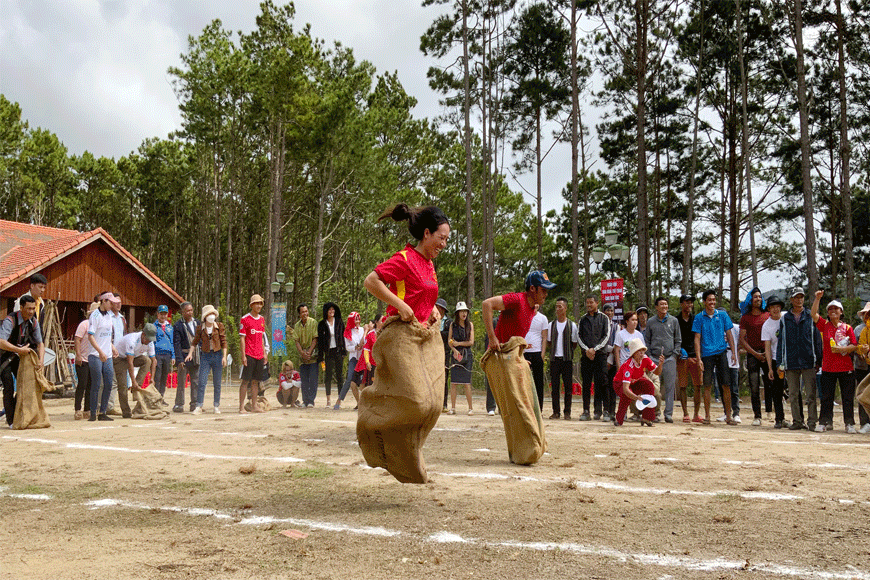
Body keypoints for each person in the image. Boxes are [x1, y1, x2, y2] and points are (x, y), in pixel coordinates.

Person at [811, 291, 858, 433]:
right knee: (826, 397)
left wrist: (841, 349)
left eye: (836, 309)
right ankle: (825, 422)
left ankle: (849, 423)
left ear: (841, 312)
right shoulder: (825, 325)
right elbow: (813, 314)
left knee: (847, 398)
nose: (833, 311)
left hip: (846, 367)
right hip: (828, 368)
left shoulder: (848, 328)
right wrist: (817, 299)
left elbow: (854, 346)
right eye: (830, 309)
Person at [777, 287, 822, 431]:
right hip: (790, 361)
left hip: (808, 360)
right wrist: (780, 362)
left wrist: (818, 359)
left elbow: (816, 339)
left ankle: (812, 422)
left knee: (810, 395)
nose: (799, 299)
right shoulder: (785, 319)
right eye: (796, 297)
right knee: (794, 394)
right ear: (791, 300)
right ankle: (797, 421)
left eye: (801, 297)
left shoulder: (810, 315)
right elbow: (781, 342)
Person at [692, 289, 738, 425]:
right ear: (704, 302)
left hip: (721, 352)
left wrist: (734, 353)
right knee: (707, 385)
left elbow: (729, 334)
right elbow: (697, 339)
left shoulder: (723, 315)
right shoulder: (699, 317)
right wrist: (699, 358)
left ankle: (728, 416)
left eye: (714, 300)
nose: (712, 302)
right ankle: (707, 416)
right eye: (709, 300)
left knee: (726, 385)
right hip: (706, 355)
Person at [482, 271, 556, 354]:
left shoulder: (532, 308)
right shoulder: (517, 300)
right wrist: (492, 338)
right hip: (498, 355)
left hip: (510, 357)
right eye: (543, 290)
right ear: (532, 288)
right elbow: (487, 304)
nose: (546, 294)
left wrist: (520, 357)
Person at [0, 295, 46, 427]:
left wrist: (41, 361)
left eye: (33, 308)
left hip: (19, 357)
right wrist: (18, 350)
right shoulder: (10, 320)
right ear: (21, 308)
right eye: (29, 308)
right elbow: (1, 342)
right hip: (3, 356)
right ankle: (11, 421)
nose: (31, 311)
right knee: (8, 387)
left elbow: (40, 344)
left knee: (25, 386)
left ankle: (18, 415)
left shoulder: (34, 322)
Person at [644, 296, 681, 423]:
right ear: (656, 307)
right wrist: (649, 356)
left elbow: (678, 340)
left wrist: (675, 354)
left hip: (670, 358)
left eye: (666, 304)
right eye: (661, 304)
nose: (664, 306)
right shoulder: (651, 322)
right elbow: (647, 340)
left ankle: (669, 414)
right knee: (654, 387)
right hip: (653, 358)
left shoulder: (674, 321)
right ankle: (655, 413)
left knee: (670, 387)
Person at [612, 338, 665, 427]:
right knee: (626, 396)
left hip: (633, 382)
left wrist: (660, 364)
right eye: (639, 351)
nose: (642, 354)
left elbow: (657, 372)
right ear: (634, 353)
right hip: (620, 383)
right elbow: (625, 389)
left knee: (649, 385)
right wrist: (636, 397)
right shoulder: (629, 365)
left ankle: (647, 417)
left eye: (643, 351)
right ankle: (619, 418)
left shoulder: (645, 359)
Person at [739, 288, 770, 426]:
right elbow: (742, 339)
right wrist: (755, 353)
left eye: (759, 296)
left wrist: (765, 353)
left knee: (771, 383)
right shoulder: (745, 318)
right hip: (753, 355)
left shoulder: (768, 315)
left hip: (767, 353)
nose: (758, 299)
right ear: (750, 300)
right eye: (755, 297)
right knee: (754, 386)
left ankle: (772, 412)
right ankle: (757, 415)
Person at [189, 304, 227, 414]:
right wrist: (190, 353)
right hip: (205, 356)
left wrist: (224, 357)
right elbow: (194, 342)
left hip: (217, 355)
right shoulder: (200, 328)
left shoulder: (219, 326)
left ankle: (216, 405)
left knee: (217, 382)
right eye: (209, 314)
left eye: (213, 314)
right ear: (205, 317)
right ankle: (199, 405)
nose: (211, 316)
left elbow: (224, 342)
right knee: (202, 381)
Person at [577, 294, 610, 421]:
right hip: (586, 356)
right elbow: (579, 336)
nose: (589, 305)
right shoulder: (582, 319)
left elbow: (606, 336)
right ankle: (586, 411)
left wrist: (594, 349)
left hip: (600, 356)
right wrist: (587, 350)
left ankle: (604, 411)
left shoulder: (604, 318)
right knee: (586, 384)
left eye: (591, 302)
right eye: (587, 302)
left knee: (602, 383)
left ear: (597, 303)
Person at [87, 292, 119, 421]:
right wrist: (100, 351)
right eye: (110, 302)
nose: (112, 305)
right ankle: (93, 412)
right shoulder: (95, 316)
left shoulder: (109, 316)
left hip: (107, 354)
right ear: (104, 301)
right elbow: (91, 336)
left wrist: (112, 347)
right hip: (96, 354)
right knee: (96, 384)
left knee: (109, 383)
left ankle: (103, 411)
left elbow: (106, 336)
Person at [114, 324, 158, 416]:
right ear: (143, 334)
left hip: (135, 357)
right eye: (147, 339)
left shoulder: (150, 343)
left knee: (147, 360)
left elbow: (154, 360)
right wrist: (133, 381)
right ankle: (126, 411)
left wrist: (152, 378)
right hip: (120, 358)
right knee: (123, 386)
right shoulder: (132, 340)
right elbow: (130, 363)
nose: (148, 341)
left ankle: (136, 387)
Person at [546, 297, 579, 420]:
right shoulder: (551, 325)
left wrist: (567, 352)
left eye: (560, 306)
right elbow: (549, 342)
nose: (557, 309)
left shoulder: (572, 325)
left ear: (565, 308)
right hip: (555, 359)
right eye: (556, 306)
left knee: (568, 387)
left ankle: (567, 412)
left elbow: (574, 343)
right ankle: (556, 412)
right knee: (555, 388)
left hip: (567, 360)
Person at [761, 296, 789, 428]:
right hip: (776, 360)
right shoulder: (766, 326)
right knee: (777, 390)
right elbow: (767, 347)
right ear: (769, 309)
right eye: (772, 307)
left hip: (791, 358)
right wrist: (770, 368)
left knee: (793, 390)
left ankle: (798, 419)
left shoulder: (786, 318)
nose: (775, 309)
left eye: (777, 306)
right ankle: (779, 418)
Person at [676, 295, 702, 423]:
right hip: (681, 356)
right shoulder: (676, 320)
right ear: (681, 304)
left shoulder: (696, 319)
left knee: (698, 385)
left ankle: (696, 414)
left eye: (691, 303)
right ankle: (685, 412)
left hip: (695, 356)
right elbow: (674, 338)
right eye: (687, 302)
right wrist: (679, 351)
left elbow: (699, 338)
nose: (689, 305)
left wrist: (698, 356)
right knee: (682, 386)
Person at [239, 295, 266, 414]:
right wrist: (243, 355)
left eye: (260, 303)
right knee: (245, 381)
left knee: (256, 381)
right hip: (249, 354)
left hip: (260, 355)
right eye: (256, 303)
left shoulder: (262, 320)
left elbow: (262, 338)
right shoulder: (245, 319)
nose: (259, 306)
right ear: (251, 305)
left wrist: (265, 353)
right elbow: (242, 339)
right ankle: (241, 407)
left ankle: (254, 405)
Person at [317, 302, 346, 409]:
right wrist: (321, 357)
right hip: (328, 353)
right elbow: (320, 341)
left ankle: (339, 400)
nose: (332, 312)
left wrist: (344, 351)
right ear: (326, 311)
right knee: (328, 375)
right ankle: (328, 400)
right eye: (330, 310)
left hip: (338, 351)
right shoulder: (322, 324)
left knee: (340, 375)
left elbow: (343, 337)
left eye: (333, 310)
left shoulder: (339, 322)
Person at [172, 301, 200, 413]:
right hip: (183, 356)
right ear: (182, 312)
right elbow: (176, 343)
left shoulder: (197, 323)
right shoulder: (178, 325)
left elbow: (201, 339)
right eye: (187, 311)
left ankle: (194, 404)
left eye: (191, 310)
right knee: (181, 382)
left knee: (196, 382)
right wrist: (179, 360)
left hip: (196, 356)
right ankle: (179, 404)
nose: (190, 312)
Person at [448, 302, 475, 415]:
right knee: (453, 383)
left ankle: (470, 408)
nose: (464, 313)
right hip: (455, 355)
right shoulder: (452, 325)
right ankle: (453, 408)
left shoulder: (470, 325)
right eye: (461, 311)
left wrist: (458, 344)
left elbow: (471, 342)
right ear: (457, 313)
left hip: (467, 355)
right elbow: (450, 341)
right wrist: (454, 350)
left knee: (466, 383)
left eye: (465, 311)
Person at [73, 302, 98, 420]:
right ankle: (78, 409)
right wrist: (78, 355)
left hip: (93, 359)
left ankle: (87, 409)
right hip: (83, 359)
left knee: (90, 385)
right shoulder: (85, 324)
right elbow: (77, 339)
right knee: (82, 385)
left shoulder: (99, 327)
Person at [716, 310, 742, 423]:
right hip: (720, 361)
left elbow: (741, 340)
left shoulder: (735, 327)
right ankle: (726, 412)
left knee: (734, 388)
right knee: (722, 388)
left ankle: (736, 413)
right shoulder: (715, 327)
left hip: (732, 362)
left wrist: (736, 353)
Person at [335, 311, 364, 410]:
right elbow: (347, 347)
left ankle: (363, 403)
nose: (358, 320)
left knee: (364, 381)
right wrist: (355, 347)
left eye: (358, 318)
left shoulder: (363, 330)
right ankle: (340, 399)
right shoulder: (347, 332)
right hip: (353, 358)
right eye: (355, 318)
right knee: (349, 379)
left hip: (363, 358)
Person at [524, 304, 549, 414]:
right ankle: (526, 409)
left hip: (537, 353)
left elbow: (544, 337)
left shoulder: (543, 318)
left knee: (538, 382)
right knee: (524, 382)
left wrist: (542, 355)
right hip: (524, 353)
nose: (535, 305)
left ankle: (539, 409)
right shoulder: (523, 315)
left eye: (537, 304)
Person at [293, 303, 318, 408]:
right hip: (302, 356)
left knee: (313, 379)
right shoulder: (297, 325)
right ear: (299, 314)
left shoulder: (313, 322)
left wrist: (309, 352)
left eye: (306, 311)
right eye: (303, 312)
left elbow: (315, 338)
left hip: (313, 355)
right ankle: (305, 400)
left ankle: (311, 401)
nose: (305, 313)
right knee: (304, 380)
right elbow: (296, 341)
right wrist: (302, 353)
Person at [107, 293, 126, 416]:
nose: (118, 304)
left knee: (119, 381)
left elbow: (124, 335)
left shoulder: (122, 318)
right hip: (108, 351)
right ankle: (105, 406)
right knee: (108, 380)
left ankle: (111, 406)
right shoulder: (107, 317)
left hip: (120, 353)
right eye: (116, 302)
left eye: (120, 302)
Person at [152, 305, 174, 397]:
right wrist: (152, 356)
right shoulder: (154, 326)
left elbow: (172, 342)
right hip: (157, 354)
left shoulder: (170, 327)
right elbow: (151, 342)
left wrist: (173, 356)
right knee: (157, 377)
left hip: (167, 355)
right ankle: (156, 397)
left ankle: (161, 396)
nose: (163, 316)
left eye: (165, 314)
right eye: (161, 314)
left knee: (164, 377)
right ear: (158, 314)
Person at [854, 302, 870, 433]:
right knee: (861, 395)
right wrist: (861, 351)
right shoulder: (859, 330)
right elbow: (856, 347)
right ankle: (865, 422)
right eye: (866, 313)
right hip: (862, 367)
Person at [433, 298, 451, 412]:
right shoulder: (430, 319)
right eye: (437, 307)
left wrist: (437, 333)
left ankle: (443, 403)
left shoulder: (448, 322)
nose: (439, 310)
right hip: (432, 351)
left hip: (445, 352)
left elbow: (447, 336)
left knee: (444, 377)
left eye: (441, 308)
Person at [602, 303, 619, 421]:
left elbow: (616, 344)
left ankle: (613, 411)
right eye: (607, 310)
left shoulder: (617, 327)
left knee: (613, 386)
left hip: (613, 359)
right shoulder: (600, 324)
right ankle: (605, 410)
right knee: (604, 385)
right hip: (602, 358)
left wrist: (611, 358)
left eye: (611, 311)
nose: (609, 313)